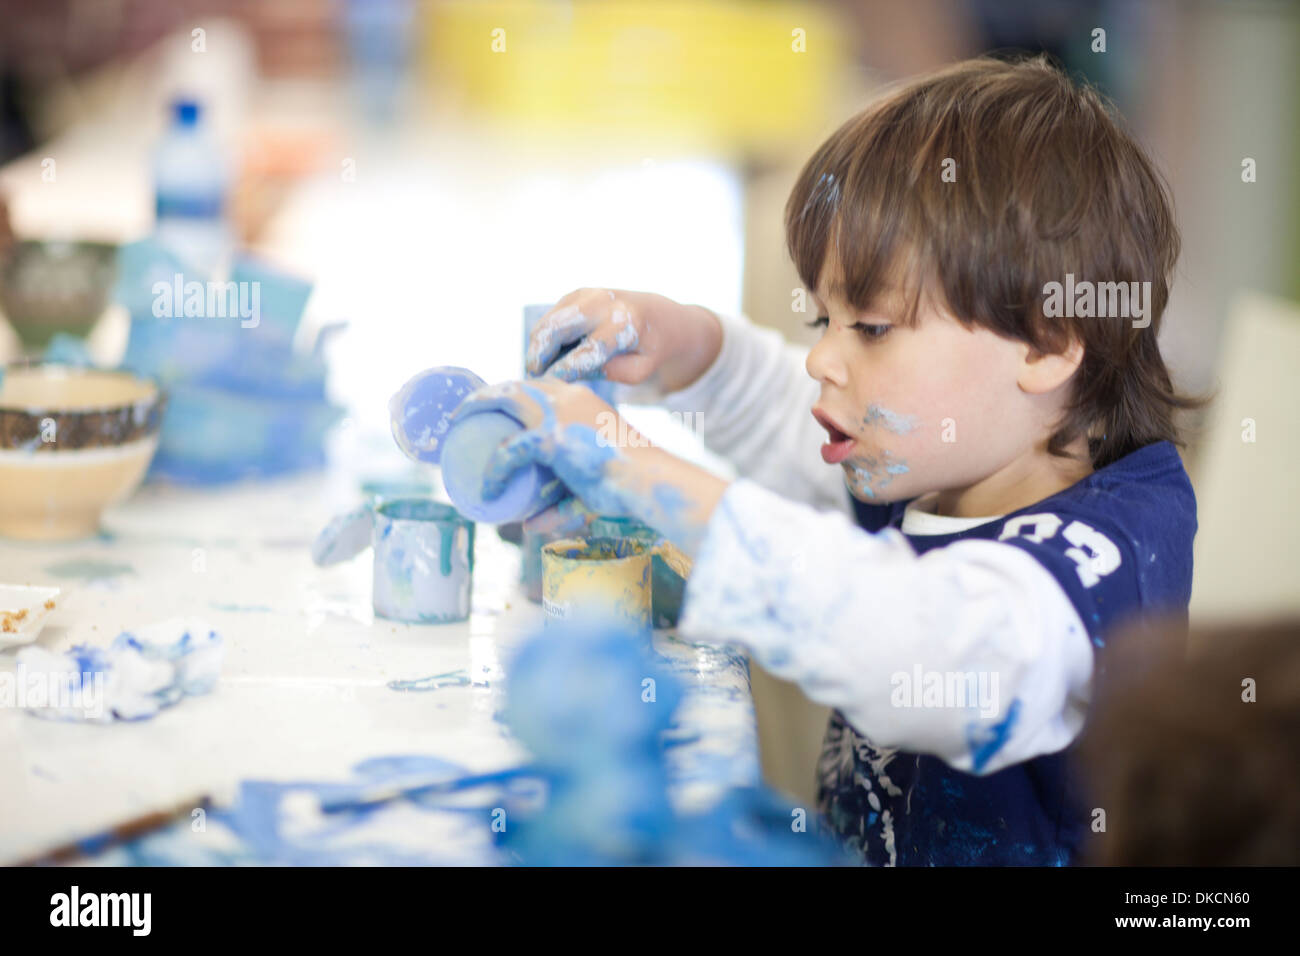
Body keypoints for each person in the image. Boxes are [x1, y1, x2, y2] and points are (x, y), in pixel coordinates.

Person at [452, 55, 1200, 865]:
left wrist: (625, 459)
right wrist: (684, 344)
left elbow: (904, 642)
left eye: (871, 328)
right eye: (822, 322)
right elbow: (785, 419)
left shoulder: (1099, 565)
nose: (822, 361)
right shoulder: (938, 467)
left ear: (1048, 345)